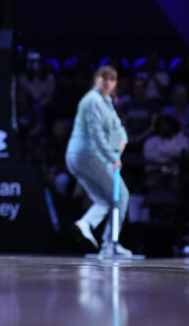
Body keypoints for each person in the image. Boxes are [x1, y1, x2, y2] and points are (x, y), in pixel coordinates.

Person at [65, 64, 131, 256]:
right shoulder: (93, 100)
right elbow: (96, 134)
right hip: (88, 155)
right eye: (105, 78)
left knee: (104, 199)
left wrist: (121, 141)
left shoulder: (107, 103)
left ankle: (86, 224)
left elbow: (117, 130)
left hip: (82, 157)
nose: (108, 82)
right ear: (97, 79)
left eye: (112, 79)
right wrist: (112, 157)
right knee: (122, 195)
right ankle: (111, 244)